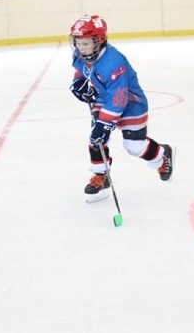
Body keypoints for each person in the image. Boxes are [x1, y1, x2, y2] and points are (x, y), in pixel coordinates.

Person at [68, 15, 174, 202]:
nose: (80, 48)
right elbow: (81, 70)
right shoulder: (80, 54)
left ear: (99, 40)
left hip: (131, 103)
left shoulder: (113, 61)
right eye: (78, 43)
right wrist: (78, 84)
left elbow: (119, 99)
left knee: (133, 146)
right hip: (103, 99)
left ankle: (161, 155)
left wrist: (104, 124)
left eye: (86, 43)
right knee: (96, 140)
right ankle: (101, 176)